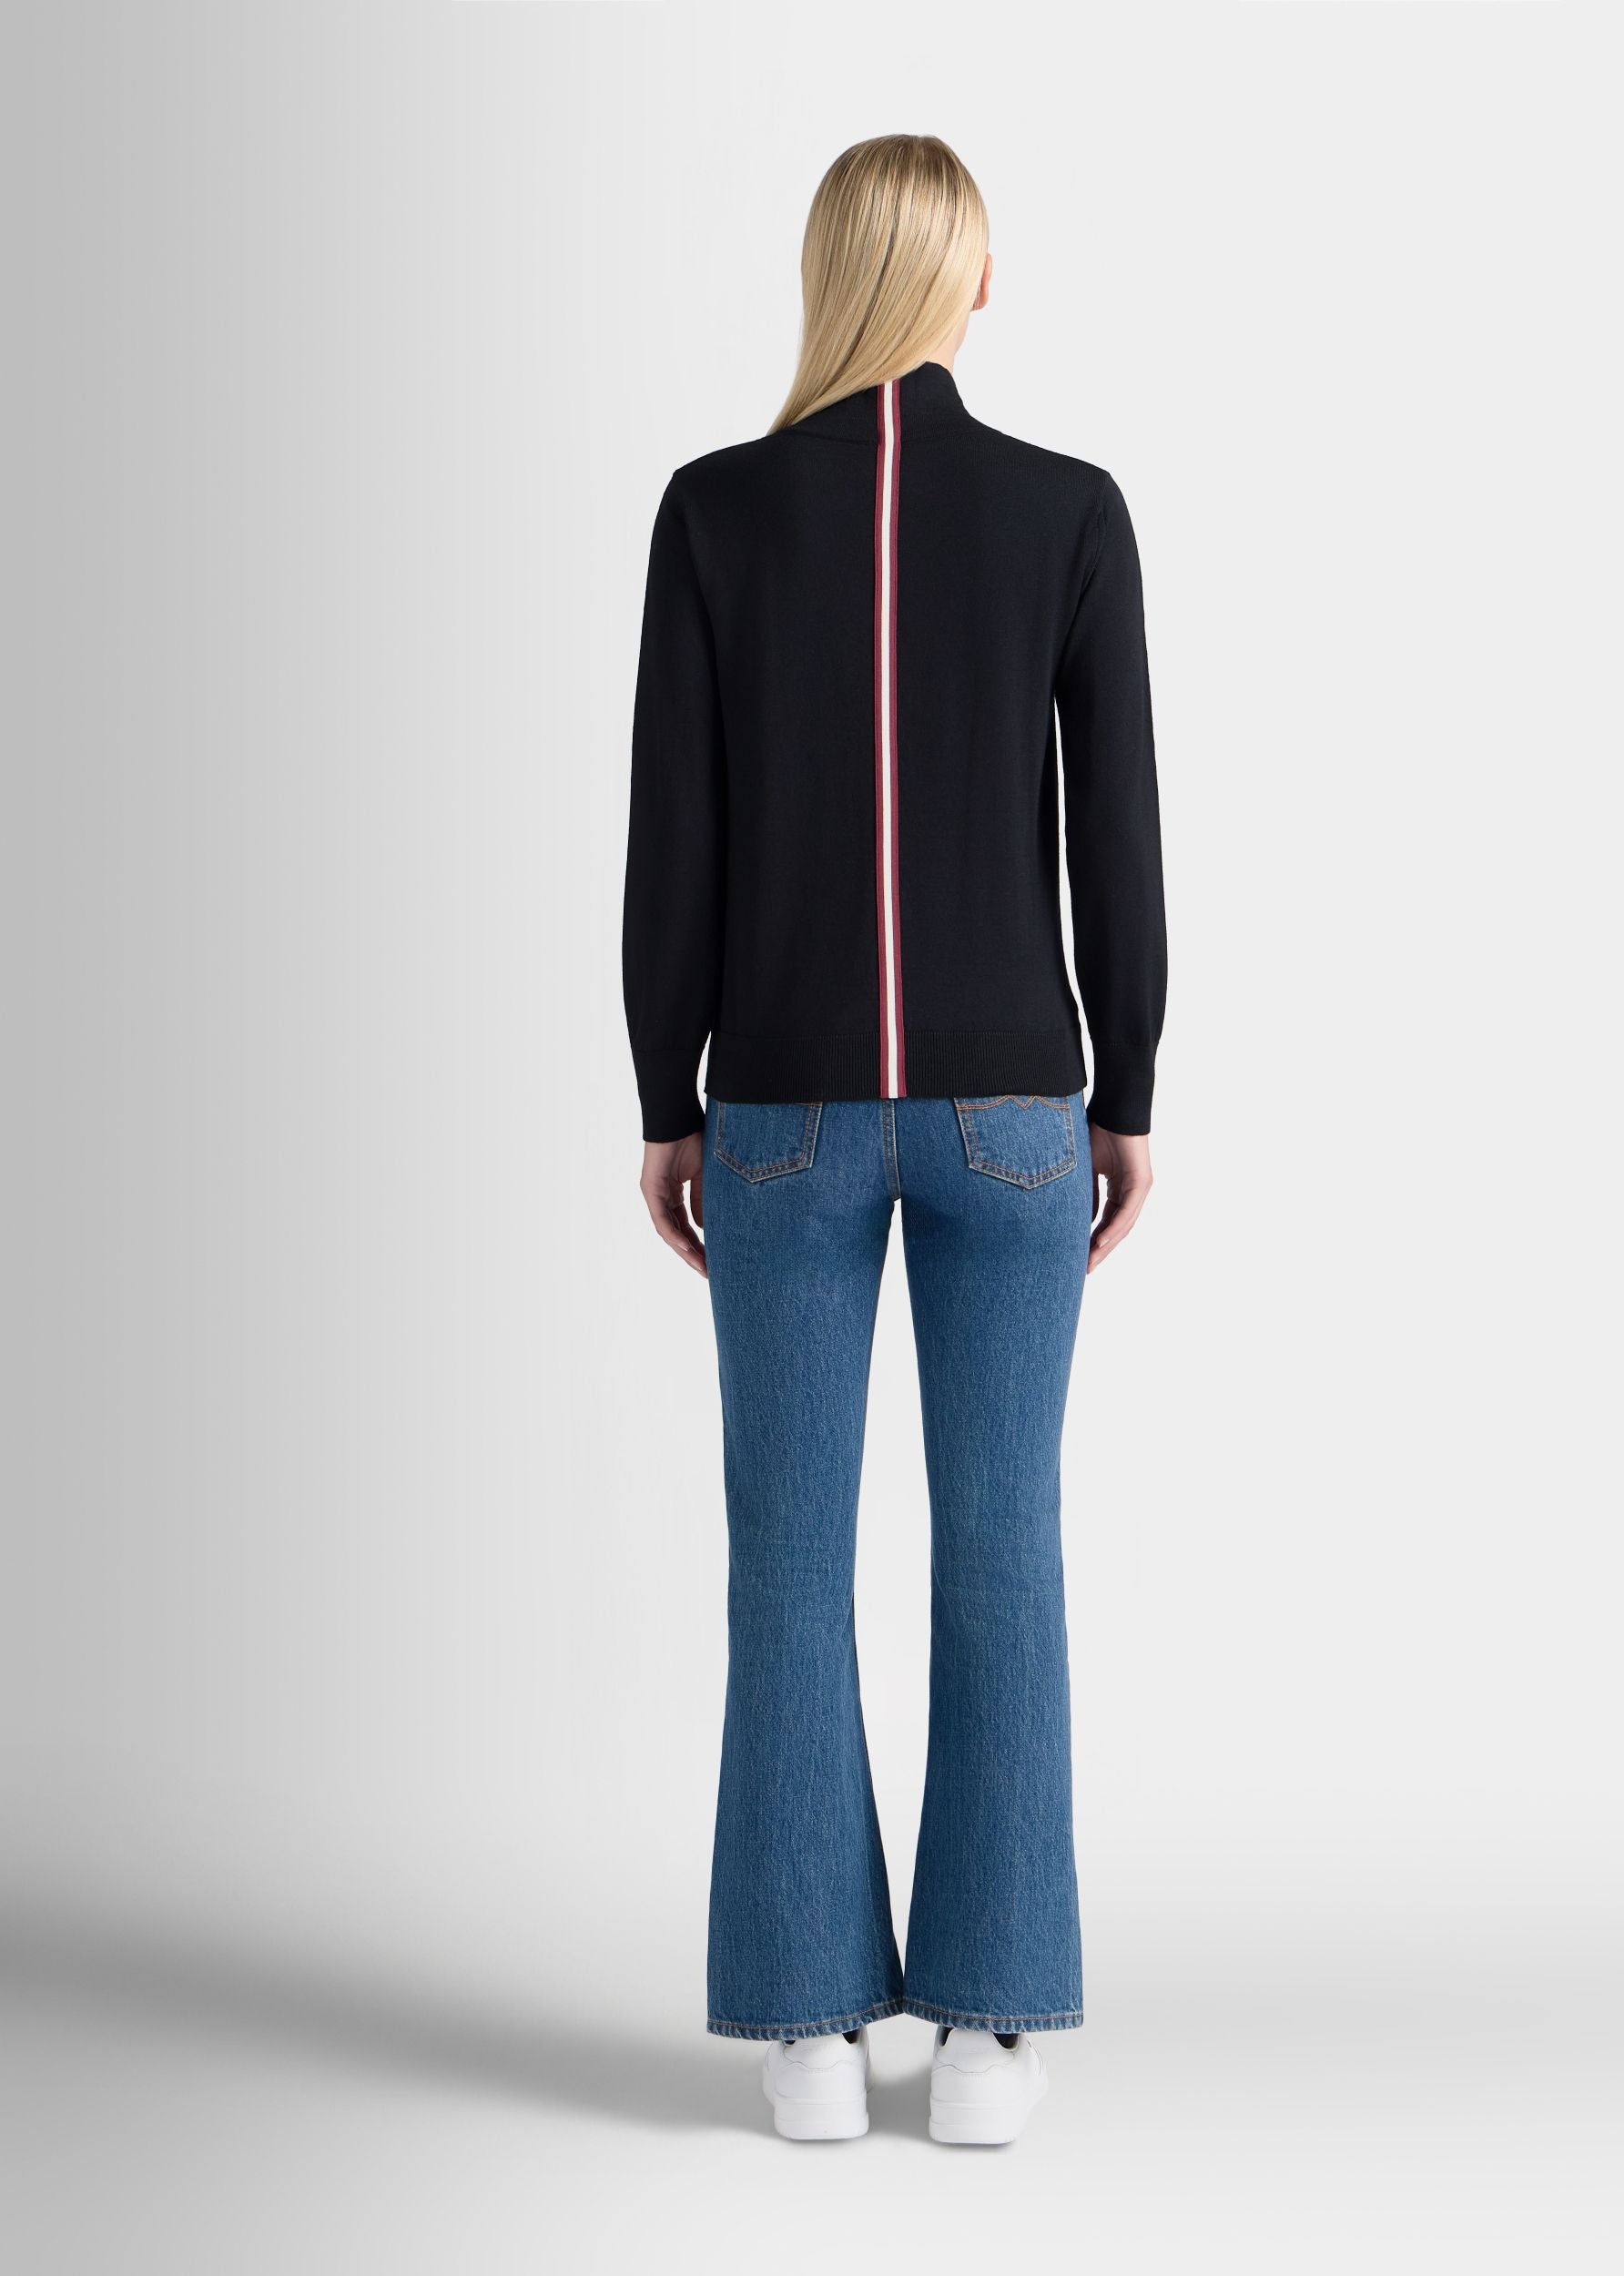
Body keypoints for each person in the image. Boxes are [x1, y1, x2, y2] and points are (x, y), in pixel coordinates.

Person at [623, 134, 1165, 2146]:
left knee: (788, 1558)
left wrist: (663, 1091)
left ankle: (808, 2035)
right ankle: (994, 2041)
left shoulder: (714, 511)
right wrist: (1129, 1086)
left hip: (775, 1109)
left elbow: (672, 830)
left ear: (825, 271)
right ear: (972, 283)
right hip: (1014, 1111)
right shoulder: (1067, 512)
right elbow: (1116, 827)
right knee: (1002, 1545)